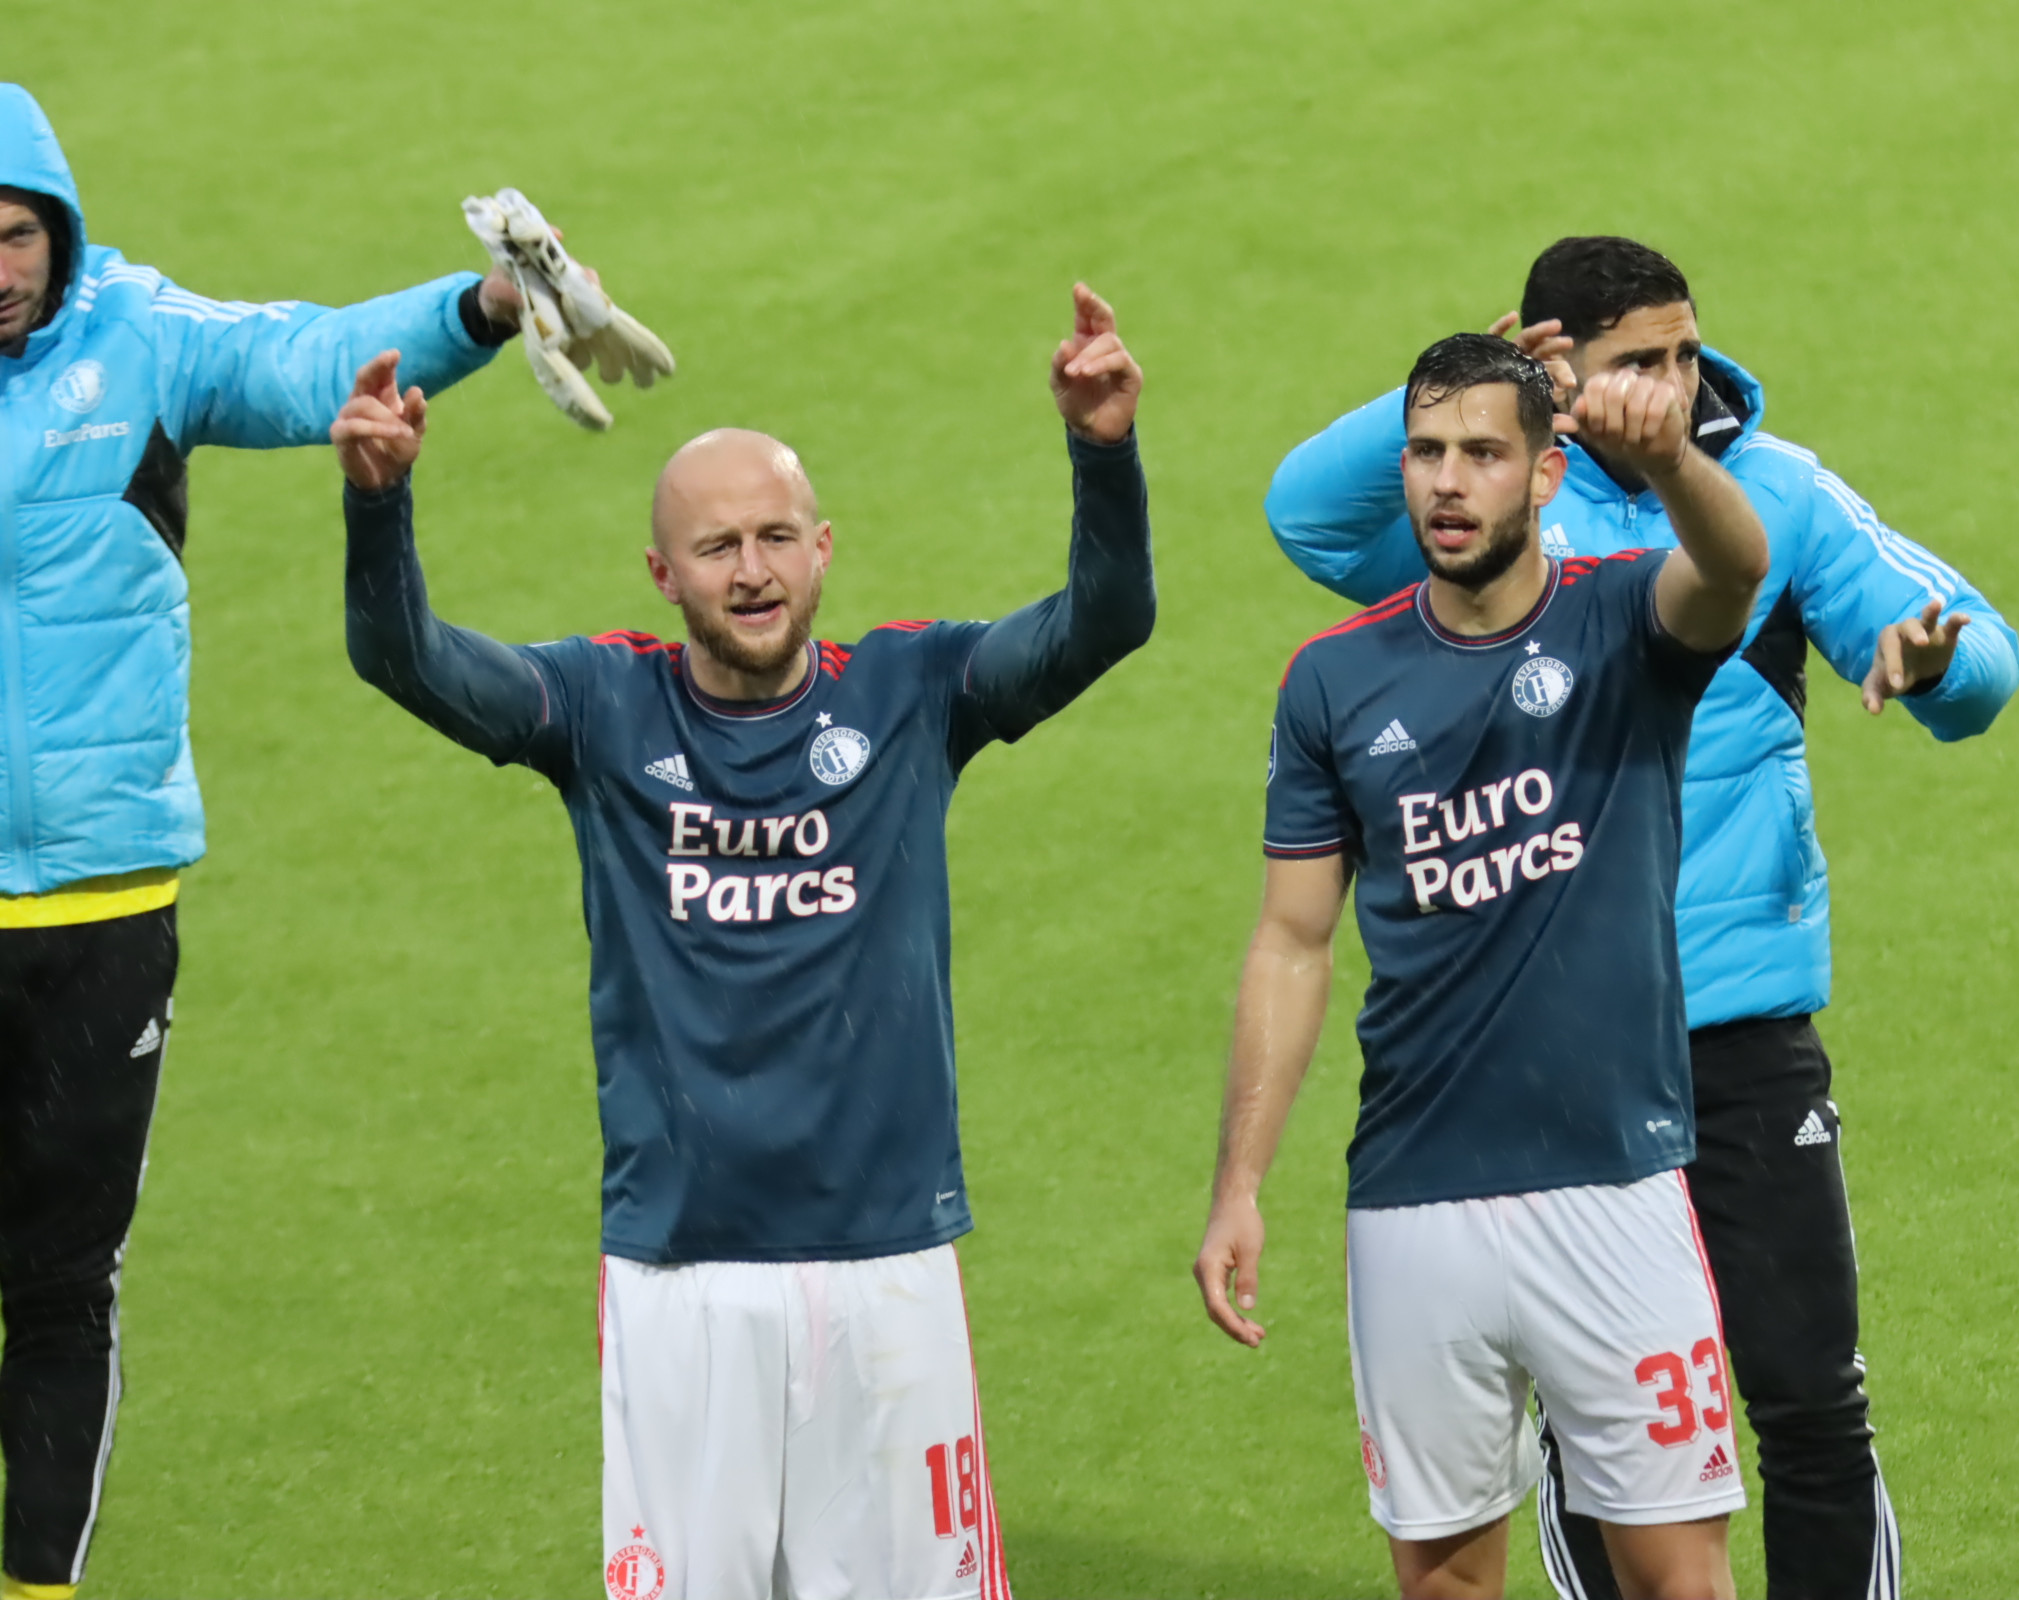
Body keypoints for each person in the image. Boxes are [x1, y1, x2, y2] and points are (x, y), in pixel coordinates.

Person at [331, 282, 1153, 1600]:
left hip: (887, 1262)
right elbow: (409, 660)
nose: (754, 571)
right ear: (664, 576)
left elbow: (1102, 623)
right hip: (685, 1274)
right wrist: (381, 509)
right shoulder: (599, 705)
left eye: (777, 537)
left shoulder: (914, 690)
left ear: (825, 547)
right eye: (718, 548)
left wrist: (1102, 450)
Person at [1263, 236, 2019, 1600]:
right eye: (1635, 364)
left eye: (1683, 353)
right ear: (1562, 379)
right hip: (1571, 1049)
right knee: (1599, 1444)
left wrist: (1933, 657)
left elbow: (1973, 652)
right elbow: (1306, 518)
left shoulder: (1767, 494)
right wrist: (1478, 380)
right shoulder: (1510, 504)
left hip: (1739, 1022)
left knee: (1807, 1396)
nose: (1671, 385)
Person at [0, 83, 533, 1598]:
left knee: (57, 1287)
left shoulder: (139, 337)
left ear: (58, 226)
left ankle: (36, 1589)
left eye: (16, 234)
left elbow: (305, 355)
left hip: (103, 905)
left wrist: (483, 309)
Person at [1194, 332, 1769, 1600]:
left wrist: (1670, 457)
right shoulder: (1334, 682)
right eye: (1427, 452)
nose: (1448, 483)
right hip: (1415, 1200)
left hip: (1614, 1183)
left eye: (1483, 455)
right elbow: (1292, 940)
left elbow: (1736, 569)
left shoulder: (1622, 618)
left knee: (1681, 1575)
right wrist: (1240, 1182)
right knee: (1445, 1581)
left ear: (1547, 473)